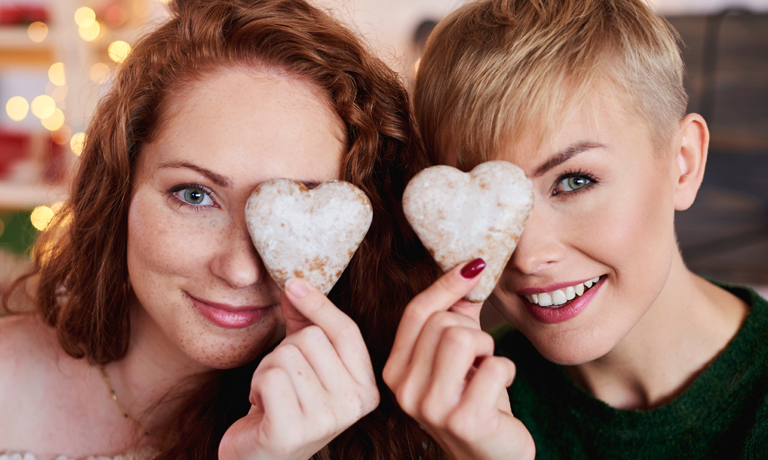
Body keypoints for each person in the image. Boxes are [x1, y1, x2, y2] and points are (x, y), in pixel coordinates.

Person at [0, 0, 440, 458]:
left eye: (290, 217)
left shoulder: (408, 431)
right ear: (120, 187)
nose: (241, 270)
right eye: (195, 195)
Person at [384, 0, 768, 458]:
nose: (526, 255)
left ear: (682, 164)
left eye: (574, 181)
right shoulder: (450, 411)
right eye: (489, 204)